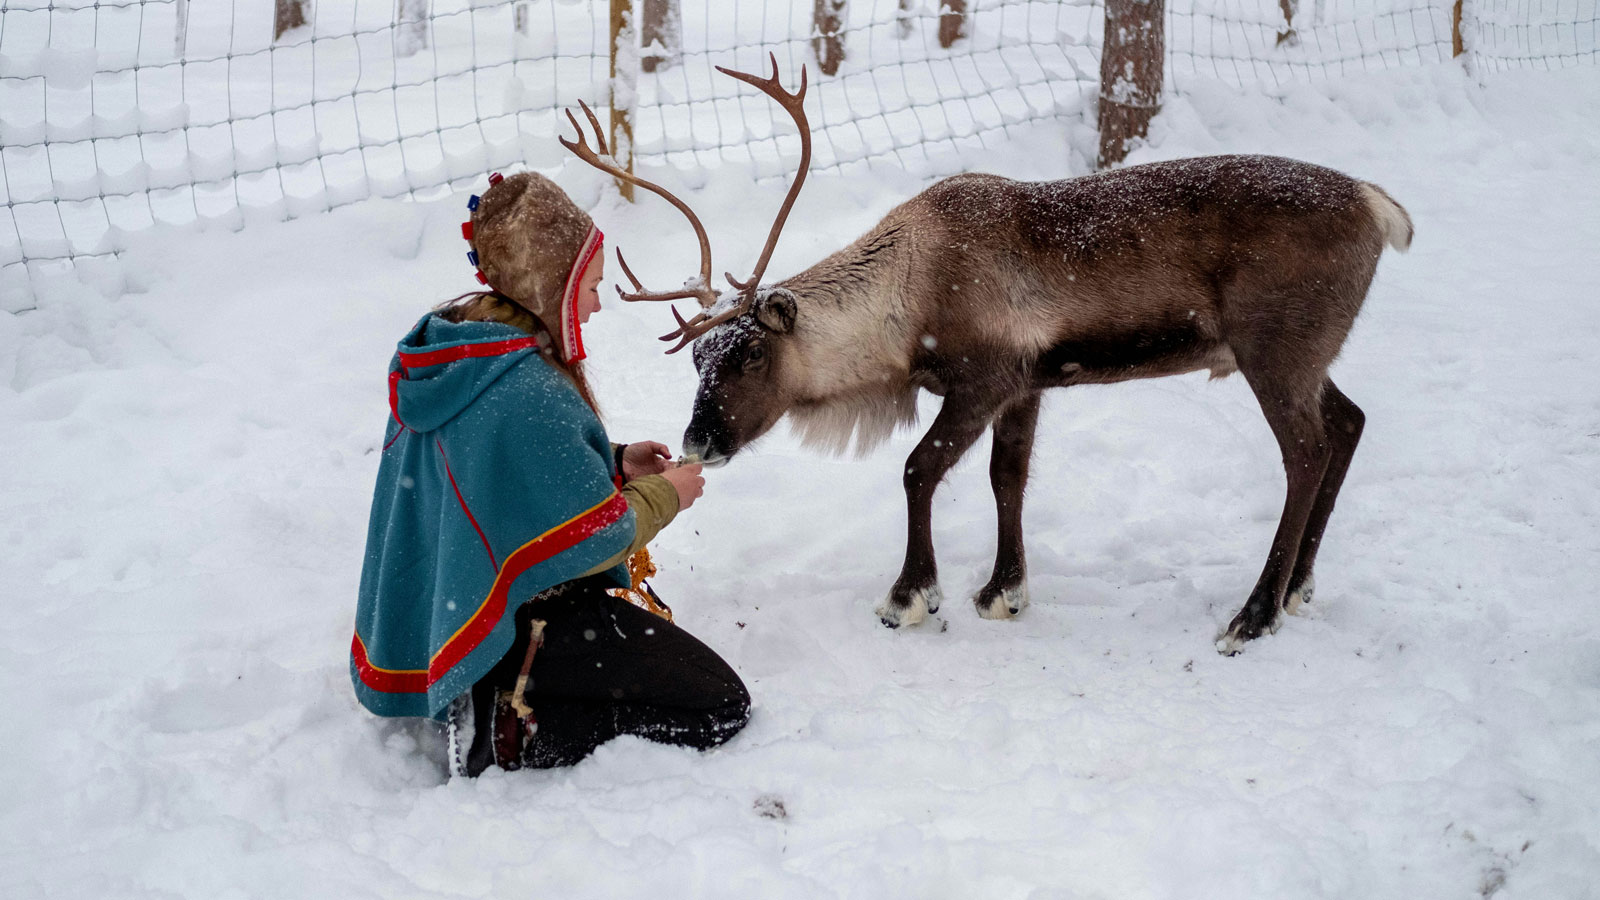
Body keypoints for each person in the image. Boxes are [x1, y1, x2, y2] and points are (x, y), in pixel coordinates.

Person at [350, 171, 750, 776]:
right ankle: (516, 728)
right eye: (588, 286)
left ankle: (496, 683)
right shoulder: (529, 388)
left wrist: (613, 461)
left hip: (455, 604)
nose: (594, 303)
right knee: (720, 704)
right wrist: (666, 494)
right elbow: (599, 538)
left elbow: (498, 464)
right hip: (527, 621)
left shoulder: (457, 351)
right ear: (550, 285)